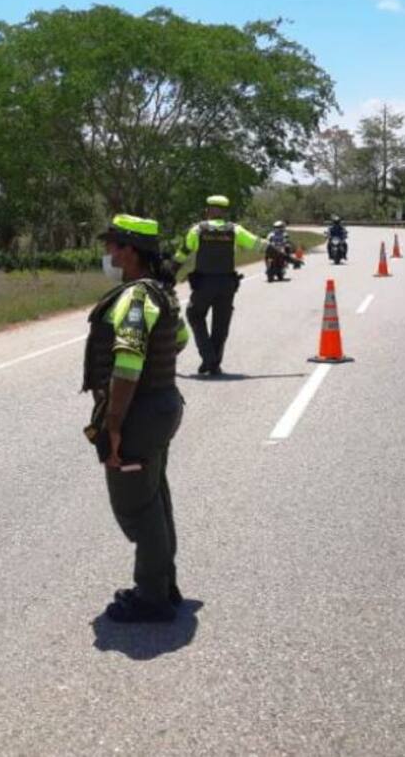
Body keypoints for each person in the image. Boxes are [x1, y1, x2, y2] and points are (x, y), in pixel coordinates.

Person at [83, 214, 189, 623]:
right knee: (154, 496)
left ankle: (152, 598)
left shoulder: (136, 299)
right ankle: (163, 584)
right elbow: (179, 339)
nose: (108, 254)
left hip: (138, 413)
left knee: (136, 508)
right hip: (162, 404)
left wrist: (112, 426)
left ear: (130, 251)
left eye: (113, 246)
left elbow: (127, 367)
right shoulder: (159, 293)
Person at [173, 195, 290, 376]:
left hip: (203, 283)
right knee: (221, 324)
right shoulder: (235, 230)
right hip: (227, 284)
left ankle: (209, 358)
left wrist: (168, 275)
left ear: (208, 211)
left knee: (194, 315)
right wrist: (285, 257)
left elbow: (182, 254)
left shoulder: (197, 230)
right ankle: (213, 363)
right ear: (224, 212)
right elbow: (260, 245)